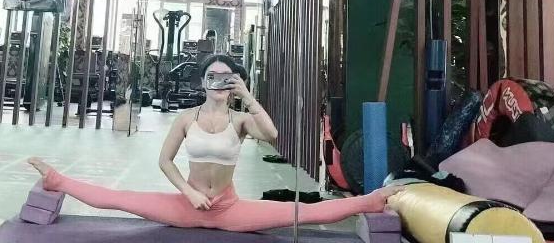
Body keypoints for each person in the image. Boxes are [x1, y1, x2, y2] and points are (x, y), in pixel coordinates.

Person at [29, 55, 402, 232]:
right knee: (119, 199)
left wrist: (247, 95)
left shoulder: (240, 120)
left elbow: (271, 134)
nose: (219, 82)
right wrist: (189, 193)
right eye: (213, 76)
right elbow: (165, 162)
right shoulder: (186, 117)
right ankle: (57, 180)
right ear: (203, 83)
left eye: (227, 78)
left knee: (302, 212)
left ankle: (370, 201)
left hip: (228, 209)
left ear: (233, 83)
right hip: (187, 205)